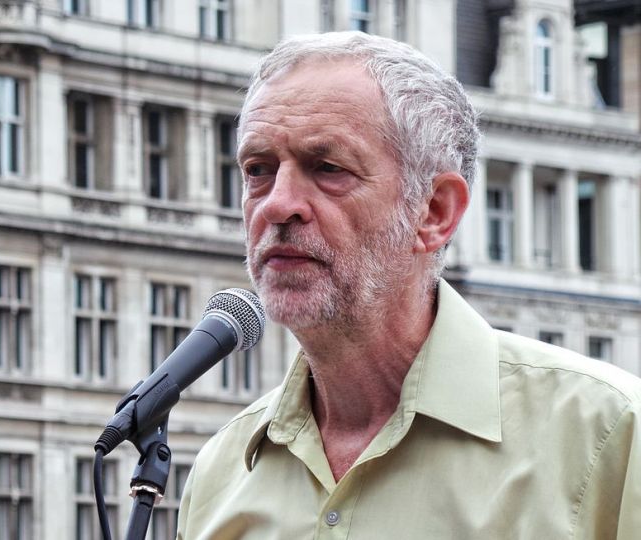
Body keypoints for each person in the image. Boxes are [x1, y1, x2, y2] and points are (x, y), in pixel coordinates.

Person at [176, 31, 641, 539]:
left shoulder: (609, 435)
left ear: (434, 212)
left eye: (328, 169)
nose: (277, 204)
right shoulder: (220, 473)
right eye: (258, 170)